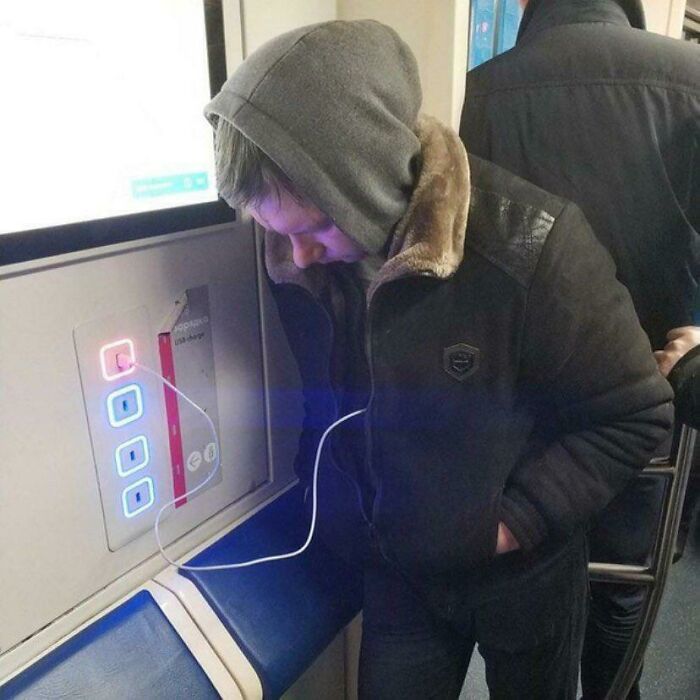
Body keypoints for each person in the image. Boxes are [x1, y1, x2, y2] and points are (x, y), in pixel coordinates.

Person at [205, 19, 672, 699]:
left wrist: (512, 525)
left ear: (366, 182)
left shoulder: (533, 247)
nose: (295, 256)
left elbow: (635, 413)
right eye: (279, 233)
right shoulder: (304, 263)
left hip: (524, 570)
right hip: (400, 573)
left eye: (313, 229)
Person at [459, 1, 699, 697]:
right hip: (648, 392)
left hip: (525, 401)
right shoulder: (689, 79)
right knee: (624, 585)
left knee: (531, 574)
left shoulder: (482, 90)